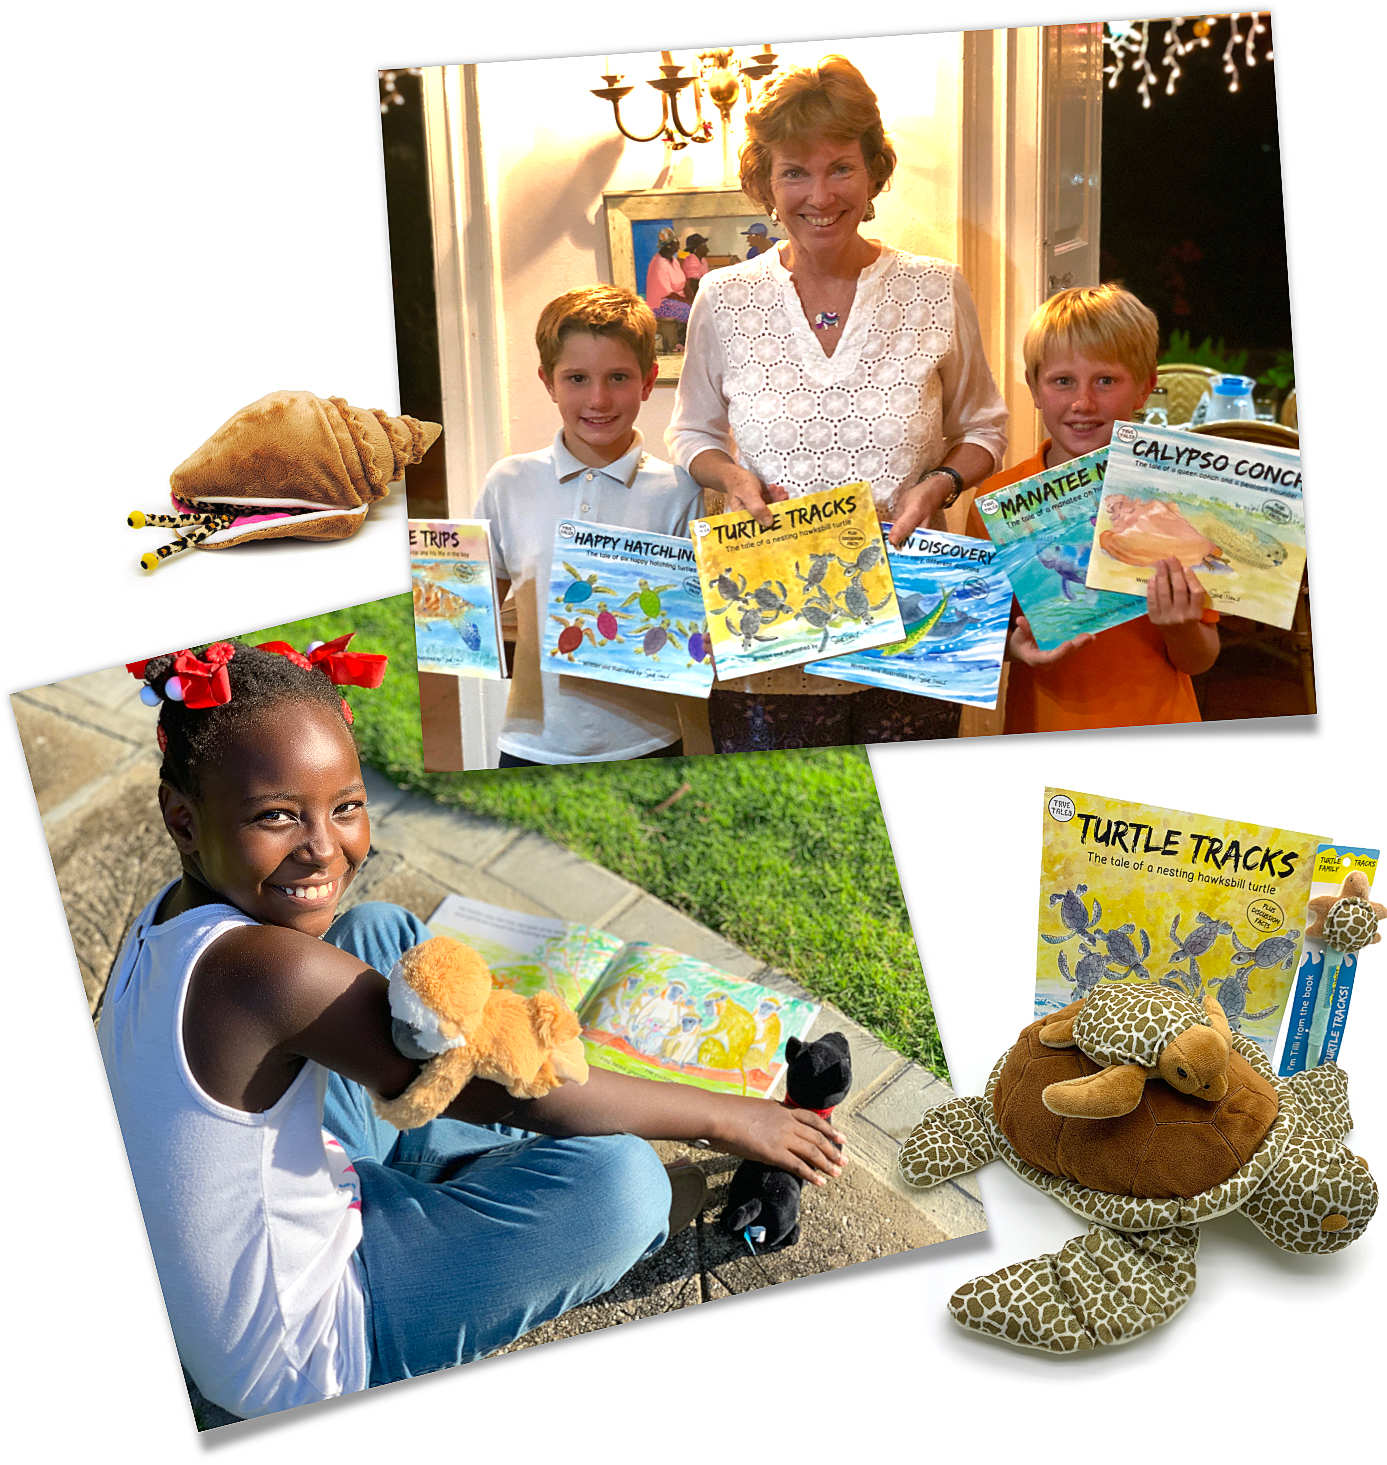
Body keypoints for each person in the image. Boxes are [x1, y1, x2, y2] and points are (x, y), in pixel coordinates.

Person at [99, 640, 845, 1420]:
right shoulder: (268, 972)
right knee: (621, 1185)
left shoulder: (171, 918)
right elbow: (518, 1095)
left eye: (345, 805)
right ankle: (540, 1187)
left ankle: (461, 1168)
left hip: (297, 1198)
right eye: (277, 815)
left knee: (380, 931)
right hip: (302, 1347)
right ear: (182, 819)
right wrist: (732, 1115)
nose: (324, 846)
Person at [667, 56, 1009, 752]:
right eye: (795, 171)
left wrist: (939, 484)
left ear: (873, 171)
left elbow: (984, 427)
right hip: (770, 628)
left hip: (912, 623)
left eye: (839, 167)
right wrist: (731, 477)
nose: (818, 194)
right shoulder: (724, 298)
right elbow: (692, 432)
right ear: (765, 180)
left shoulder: (935, 288)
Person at [965, 283, 1220, 732]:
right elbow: (978, 632)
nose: (1083, 403)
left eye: (1106, 381)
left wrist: (1179, 625)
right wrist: (1012, 648)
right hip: (1041, 728)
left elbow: (1200, 658)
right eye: (1063, 381)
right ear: (1036, 389)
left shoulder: (1178, 497)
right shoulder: (995, 502)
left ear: (1144, 388)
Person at [477, 286, 700, 766]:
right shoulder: (508, 482)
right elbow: (470, 610)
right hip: (529, 742)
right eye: (577, 378)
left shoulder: (681, 489)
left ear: (647, 381)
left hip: (648, 740)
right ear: (548, 382)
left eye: (617, 377)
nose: (598, 399)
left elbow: (697, 624)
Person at [644, 226, 691, 352]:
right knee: (690, 312)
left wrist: (691, 297)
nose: (678, 245)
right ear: (669, 245)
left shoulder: (673, 260)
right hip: (661, 304)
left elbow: (683, 282)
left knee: (695, 308)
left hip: (676, 300)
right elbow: (668, 294)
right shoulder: (659, 263)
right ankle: (681, 345)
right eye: (676, 242)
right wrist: (687, 302)